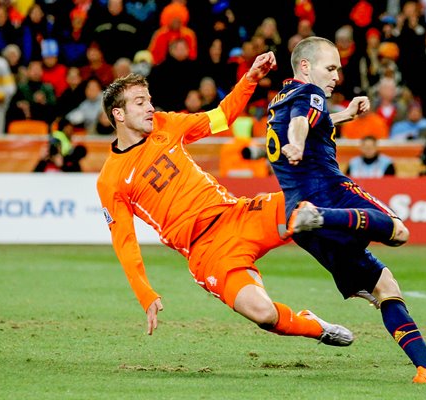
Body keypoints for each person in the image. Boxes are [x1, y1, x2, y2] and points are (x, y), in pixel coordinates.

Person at [97, 52, 353, 349]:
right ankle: (313, 325)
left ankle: (365, 276)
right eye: (140, 103)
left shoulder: (167, 125)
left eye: (149, 100)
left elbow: (221, 118)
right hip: (208, 252)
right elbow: (124, 242)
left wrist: (250, 78)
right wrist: (146, 294)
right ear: (119, 114)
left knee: (312, 205)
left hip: (238, 215)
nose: (151, 108)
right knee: (263, 313)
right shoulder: (111, 179)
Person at [266, 36, 426, 384]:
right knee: (399, 231)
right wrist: (297, 142)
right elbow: (302, 124)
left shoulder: (281, 99)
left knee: (384, 285)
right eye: (330, 67)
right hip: (326, 195)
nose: (336, 75)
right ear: (306, 67)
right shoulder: (310, 94)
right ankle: (320, 217)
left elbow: (306, 118)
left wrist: (345, 115)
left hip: (299, 221)